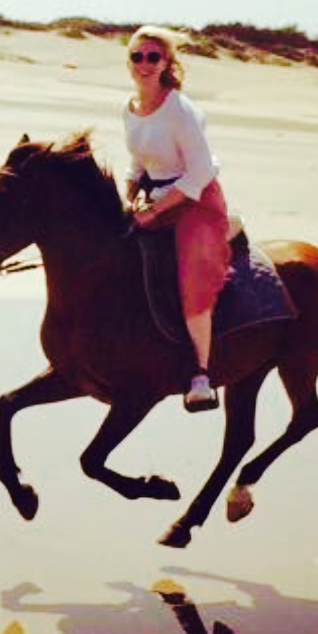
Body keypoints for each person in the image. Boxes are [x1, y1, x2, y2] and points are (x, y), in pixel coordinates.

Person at [123, 25, 230, 412]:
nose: (145, 64)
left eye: (154, 56)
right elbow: (138, 159)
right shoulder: (130, 109)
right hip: (156, 197)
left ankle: (200, 374)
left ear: (167, 62)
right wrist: (131, 192)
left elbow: (199, 171)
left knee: (193, 278)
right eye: (138, 56)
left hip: (196, 201)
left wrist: (155, 210)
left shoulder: (180, 110)